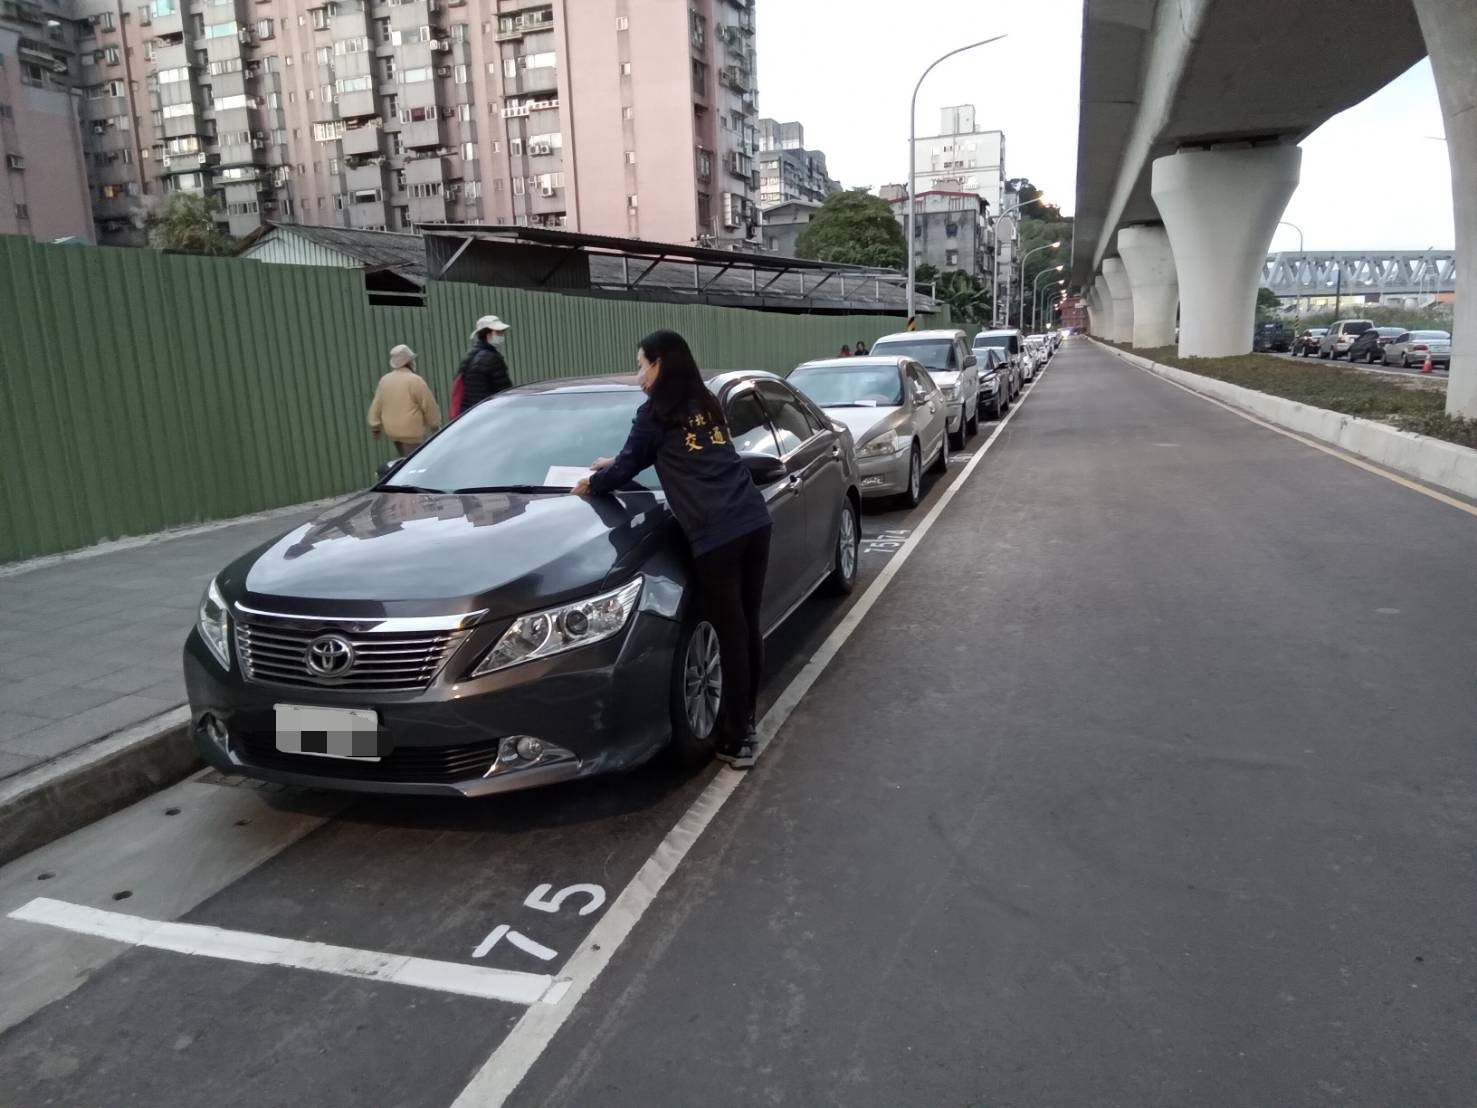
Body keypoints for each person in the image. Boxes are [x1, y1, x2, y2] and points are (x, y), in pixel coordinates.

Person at [573, 330, 772, 769]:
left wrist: (593, 482)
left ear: (660, 363)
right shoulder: (706, 404)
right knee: (745, 626)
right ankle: (747, 724)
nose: (639, 375)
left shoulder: (654, 414)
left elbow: (628, 466)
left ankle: (738, 739)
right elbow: (642, 458)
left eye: (642, 365)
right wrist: (615, 464)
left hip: (717, 532)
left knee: (731, 633)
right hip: (753, 521)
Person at [368, 344, 441, 457]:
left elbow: (376, 405)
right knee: (415, 463)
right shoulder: (415, 380)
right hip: (411, 434)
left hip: (393, 432)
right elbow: (429, 406)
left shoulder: (385, 380)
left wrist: (375, 427)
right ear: (409, 362)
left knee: (404, 461)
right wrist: (435, 426)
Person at [451, 314, 512, 418]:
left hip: (469, 414)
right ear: (488, 334)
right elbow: (505, 391)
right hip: (489, 413)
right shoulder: (492, 358)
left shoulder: (470, 355)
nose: (501, 335)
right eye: (498, 332)